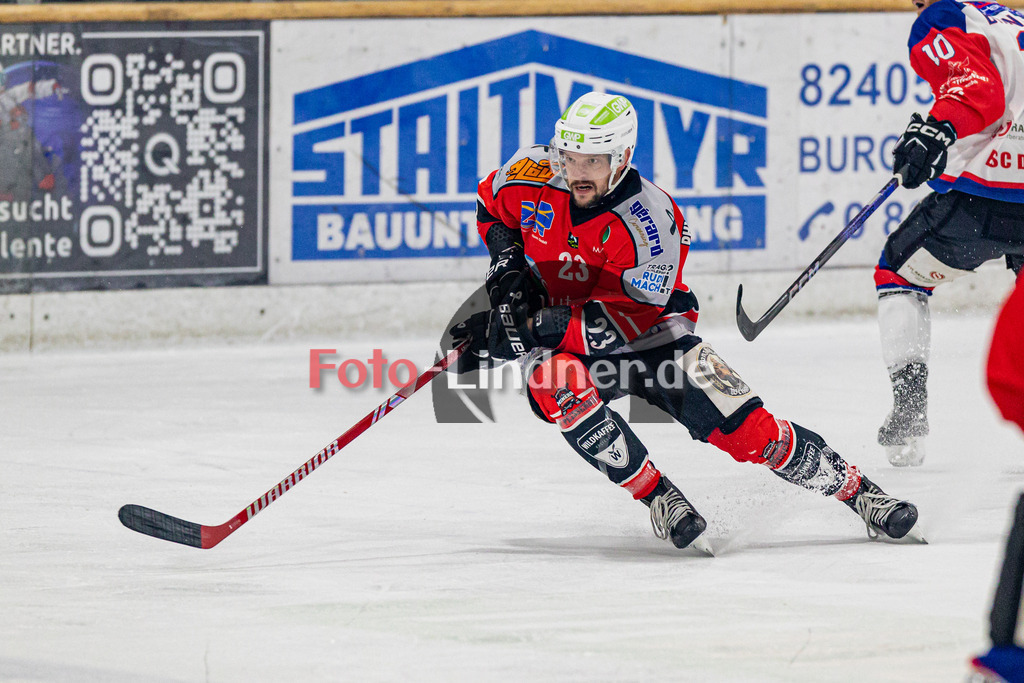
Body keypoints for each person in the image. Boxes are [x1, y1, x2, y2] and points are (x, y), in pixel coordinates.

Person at [448, 91, 921, 551]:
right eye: (571, 158)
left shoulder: (652, 222)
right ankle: (658, 497)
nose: (578, 172)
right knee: (558, 381)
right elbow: (492, 207)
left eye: (593, 161)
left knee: (749, 433)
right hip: (569, 342)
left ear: (623, 156)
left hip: (653, 333)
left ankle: (861, 494)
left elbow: (623, 321)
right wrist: (507, 270)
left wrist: (521, 332)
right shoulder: (533, 172)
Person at [875, 0, 1024, 467]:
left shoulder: (942, 17)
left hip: (986, 193)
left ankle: (909, 411)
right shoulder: (1014, 19)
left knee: (898, 274)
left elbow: (979, 91)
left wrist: (935, 132)